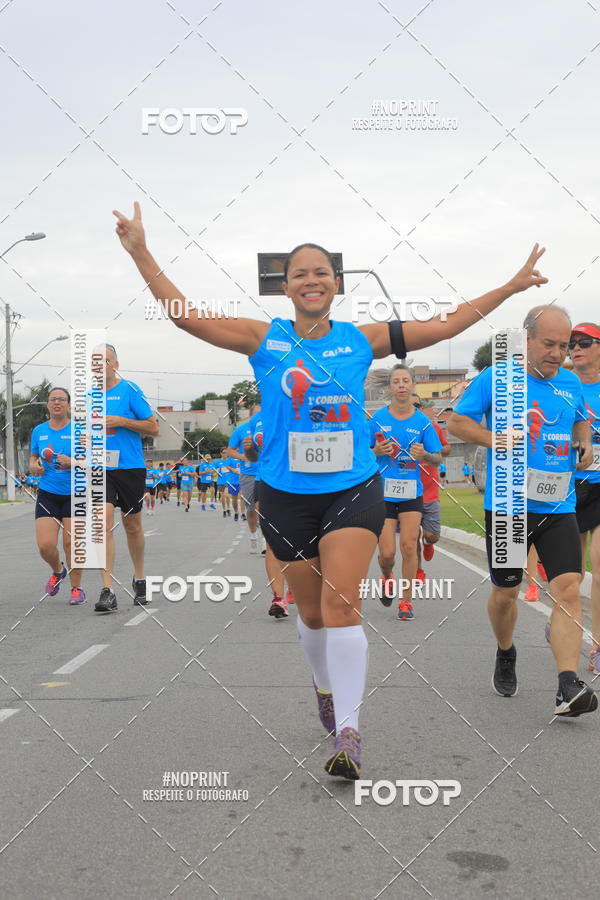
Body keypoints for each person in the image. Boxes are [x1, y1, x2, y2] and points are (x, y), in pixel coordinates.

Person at [114, 199, 548, 778]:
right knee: (313, 613)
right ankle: (322, 686)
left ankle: (349, 730)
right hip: (286, 494)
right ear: (286, 288)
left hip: (353, 488)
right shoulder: (262, 338)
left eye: (321, 272)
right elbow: (186, 316)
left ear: (336, 284)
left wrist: (511, 288)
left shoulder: (360, 339)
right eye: (300, 274)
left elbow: (446, 323)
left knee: (345, 604)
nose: (311, 280)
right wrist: (142, 252)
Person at [449, 305, 597, 717]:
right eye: (549, 343)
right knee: (506, 591)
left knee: (567, 587)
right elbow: (457, 425)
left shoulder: (570, 381)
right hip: (509, 504)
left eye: (564, 345)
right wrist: (495, 438)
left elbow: (580, 421)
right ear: (527, 339)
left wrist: (583, 443)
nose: (557, 352)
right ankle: (505, 649)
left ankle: (567, 684)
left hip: (558, 502)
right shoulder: (499, 379)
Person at [91, 344, 159, 613]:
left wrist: (120, 420)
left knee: (132, 525)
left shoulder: (129, 390)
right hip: (99, 468)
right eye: (95, 361)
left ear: (115, 365)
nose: (100, 365)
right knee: (103, 523)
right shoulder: (87, 397)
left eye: (105, 361)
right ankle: (107, 590)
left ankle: (139, 578)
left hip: (130, 466)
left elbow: (153, 427)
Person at [371, 367, 442, 619]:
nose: (401, 385)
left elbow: (436, 459)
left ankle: (406, 602)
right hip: (383, 494)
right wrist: (376, 452)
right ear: (389, 387)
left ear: (412, 386)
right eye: (396, 381)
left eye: (405, 381)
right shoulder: (377, 419)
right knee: (387, 553)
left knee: (409, 547)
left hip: (412, 493)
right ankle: (386, 576)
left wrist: (425, 455)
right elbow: (362, 455)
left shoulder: (423, 421)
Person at [29, 388, 86, 604]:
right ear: (48, 405)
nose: (57, 403)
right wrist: (34, 466)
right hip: (48, 493)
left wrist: (73, 462)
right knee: (45, 545)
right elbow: (33, 458)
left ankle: (76, 588)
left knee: (71, 543)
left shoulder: (80, 430)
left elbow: (96, 463)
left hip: (76, 494)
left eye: (61, 399)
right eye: (53, 399)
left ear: (69, 405)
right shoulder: (39, 431)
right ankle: (58, 570)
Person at [569, 322, 600, 675]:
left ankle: (597, 644)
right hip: (568, 487)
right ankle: (564, 618)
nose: (576, 348)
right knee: (571, 575)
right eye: (571, 344)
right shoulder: (562, 387)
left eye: (585, 343)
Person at [243, 408, 294, 618]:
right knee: (273, 540)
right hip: (266, 481)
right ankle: (278, 598)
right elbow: (254, 456)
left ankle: (296, 581)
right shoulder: (257, 419)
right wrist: (248, 450)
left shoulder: (297, 409)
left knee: (297, 541)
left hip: (298, 482)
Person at [411, 393, 451, 581]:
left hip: (430, 490)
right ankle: (418, 570)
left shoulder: (432, 426)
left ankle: (428, 543)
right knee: (411, 539)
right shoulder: (396, 426)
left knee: (431, 535)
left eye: (417, 405)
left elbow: (446, 449)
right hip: (408, 491)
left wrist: (429, 451)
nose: (414, 409)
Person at [227, 404, 262, 551]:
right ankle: (253, 536)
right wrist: (243, 456)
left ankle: (265, 540)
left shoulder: (269, 428)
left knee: (264, 508)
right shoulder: (241, 430)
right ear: (251, 416)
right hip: (247, 474)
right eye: (257, 415)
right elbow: (230, 451)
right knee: (251, 508)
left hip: (266, 473)